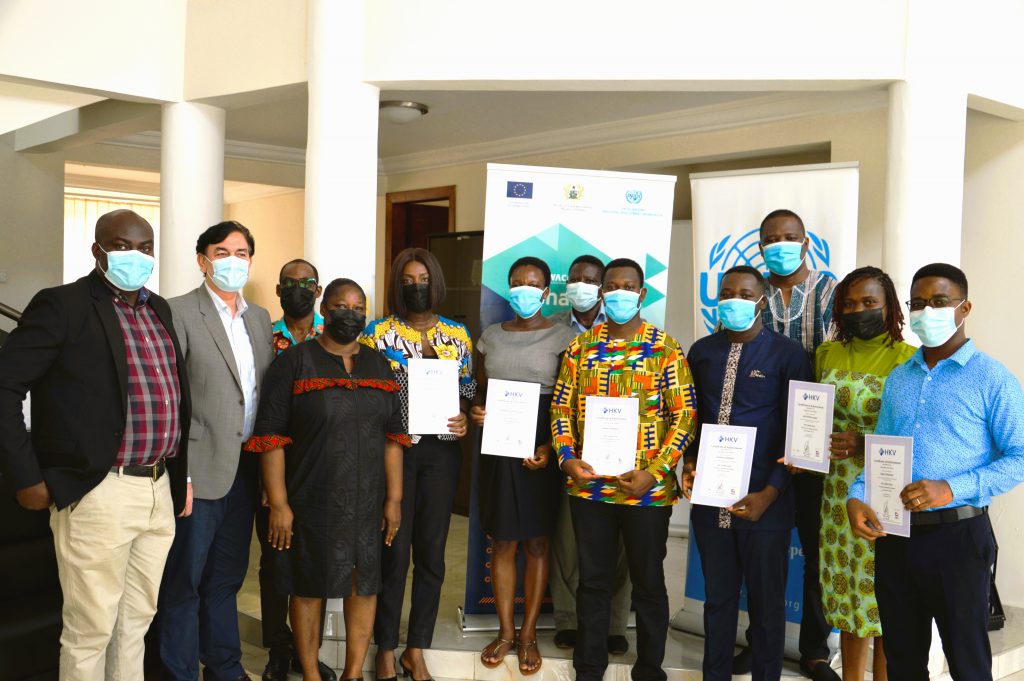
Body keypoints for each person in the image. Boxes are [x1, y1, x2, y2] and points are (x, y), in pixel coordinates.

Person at [0, 209, 192, 681]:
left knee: (136, 626)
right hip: (98, 490)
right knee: (90, 631)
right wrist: (27, 475)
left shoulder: (158, 308)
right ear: (98, 251)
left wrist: (179, 476)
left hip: (156, 487)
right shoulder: (62, 305)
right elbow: (5, 385)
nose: (137, 256)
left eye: (145, 247)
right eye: (123, 246)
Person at [847, 263, 1024, 681]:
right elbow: (882, 451)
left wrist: (951, 487)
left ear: (965, 308)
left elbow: (1019, 456)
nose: (928, 311)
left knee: (967, 659)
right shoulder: (899, 379)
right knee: (903, 658)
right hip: (896, 536)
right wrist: (857, 494)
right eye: (919, 303)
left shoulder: (993, 379)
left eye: (940, 301)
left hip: (958, 539)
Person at [245, 278, 407, 681]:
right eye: (340, 306)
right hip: (310, 499)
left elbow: (393, 439)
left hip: (368, 499)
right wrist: (279, 504)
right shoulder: (295, 363)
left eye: (358, 308)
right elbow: (271, 438)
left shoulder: (379, 364)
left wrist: (394, 500)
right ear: (325, 309)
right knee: (307, 586)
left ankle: (353, 673)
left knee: (364, 584)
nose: (349, 314)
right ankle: (312, 674)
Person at [550, 258, 697, 681]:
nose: (618, 293)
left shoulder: (666, 349)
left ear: (642, 294)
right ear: (602, 293)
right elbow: (560, 408)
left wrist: (656, 470)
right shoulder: (581, 348)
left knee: (649, 583)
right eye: (611, 287)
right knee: (592, 580)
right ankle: (589, 666)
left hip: (647, 491)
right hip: (590, 488)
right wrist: (566, 457)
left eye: (627, 286)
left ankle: (649, 667)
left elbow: (685, 415)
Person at [157, 221, 275, 681]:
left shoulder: (259, 318)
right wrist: (178, 472)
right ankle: (179, 671)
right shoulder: (179, 311)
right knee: (184, 581)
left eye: (242, 252)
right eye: (222, 252)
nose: (233, 260)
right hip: (198, 470)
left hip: (247, 467)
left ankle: (225, 668)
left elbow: (259, 396)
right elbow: (173, 399)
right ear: (202, 260)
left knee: (226, 578)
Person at [683, 265, 812, 681]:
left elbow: (798, 435)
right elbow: (692, 418)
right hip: (710, 498)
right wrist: (688, 464)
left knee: (767, 605)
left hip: (765, 502)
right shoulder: (702, 351)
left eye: (744, 293)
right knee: (717, 601)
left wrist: (770, 494)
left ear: (762, 301)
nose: (733, 300)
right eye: (726, 293)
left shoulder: (790, 356)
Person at [733, 209, 839, 680]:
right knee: (763, 550)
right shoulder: (752, 292)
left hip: (819, 438)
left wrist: (812, 441)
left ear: (806, 242)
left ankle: (815, 649)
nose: (780, 244)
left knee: (817, 547)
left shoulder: (832, 292)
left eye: (789, 237)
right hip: (763, 438)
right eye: (770, 238)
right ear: (759, 246)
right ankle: (761, 646)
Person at [362, 247, 475, 681]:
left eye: (423, 279)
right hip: (394, 452)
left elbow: (467, 388)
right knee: (394, 550)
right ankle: (385, 646)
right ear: (397, 285)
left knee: (431, 552)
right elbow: (368, 395)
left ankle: (416, 647)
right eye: (407, 281)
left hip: (443, 453)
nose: (416, 287)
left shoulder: (458, 334)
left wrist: (465, 416)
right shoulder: (378, 333)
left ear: (436, 282)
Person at [470, 256, 575, 674]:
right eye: (517, 283)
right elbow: (478, 391)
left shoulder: (564, 336)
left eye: (533, 284)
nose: (524, 290)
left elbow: (569, 399)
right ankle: (505, 632)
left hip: (541, 445)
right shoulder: (491, 336)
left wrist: (551, 447)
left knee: (536, 542)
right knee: (503, 542)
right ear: (508, 287)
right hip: (498, 445)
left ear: (547, 292)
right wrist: (477, 410)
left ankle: (529, 634)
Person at [814, 267, 914, 681]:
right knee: (848, 597)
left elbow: (914, 432)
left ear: (889, 306)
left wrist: (863, 443)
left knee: (885, 599)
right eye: (850, 304)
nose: (859, 311)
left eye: (869, 303)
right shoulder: (827, 353)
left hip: (888, 491)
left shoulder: (909, 360)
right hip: (836, 492)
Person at [549, 254, 632, 654]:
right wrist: (566, 454)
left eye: (592, 279)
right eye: (576, 278)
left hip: (625, 458)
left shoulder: (638, 336)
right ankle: (568, 618)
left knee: (619, 546)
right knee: (567, 543)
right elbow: (560, 403)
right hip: (574, 456)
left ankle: (615, 623)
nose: (582, 286)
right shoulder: (557, 334)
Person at [259, 259, 334, 681]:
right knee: (274, 563)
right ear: (278, 289)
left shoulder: (336, 335)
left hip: (321, 469)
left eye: (307, 283)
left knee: (314, 564)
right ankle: (277, 648)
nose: (299, 289)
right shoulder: (263, 337)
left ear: (319, 289)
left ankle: (309, 651)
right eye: (290, 283)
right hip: (271, 462)